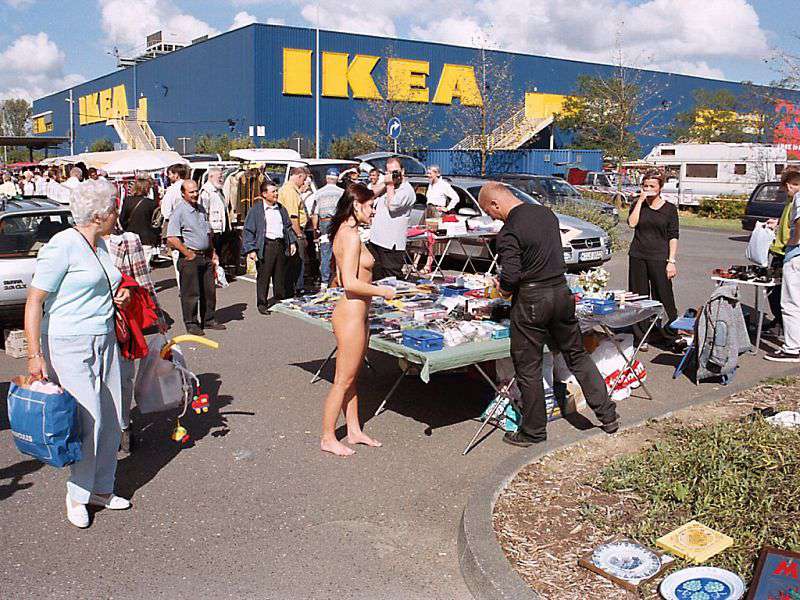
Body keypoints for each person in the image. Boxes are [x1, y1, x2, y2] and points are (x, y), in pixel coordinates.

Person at [24, 178, 133, 528]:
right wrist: (34, 354)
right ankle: (78, 492)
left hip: (104, 337)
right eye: (113, 209)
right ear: (99, 215)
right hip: (68, 342)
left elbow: (99, 286)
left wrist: (119, 296)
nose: (117, 214)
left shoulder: (99, 244)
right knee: (89, 420)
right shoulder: (63, 245)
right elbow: (35, 300)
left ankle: (102, 488)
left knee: (113, 417)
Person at [477, 182, 619, 446]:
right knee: (577, 355)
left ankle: (533, 431)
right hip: (561, 293)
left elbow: (511, 276)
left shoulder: (509, 231)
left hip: (532, 301)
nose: (492, 218)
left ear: (495, 203)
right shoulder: (546, 214)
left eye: (489, 212)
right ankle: (608, 415)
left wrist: (503, 289)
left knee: (528, 367)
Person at [320, 183, 395, 456]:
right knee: (343, 380)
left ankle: (353, 429)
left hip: (357, 313)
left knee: (351, 377)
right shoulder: (350, 236)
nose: (374, 211)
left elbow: (342, 277)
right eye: (371, 206)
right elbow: (349, 283)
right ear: (356, 206)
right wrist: (383, 291)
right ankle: (328, 437)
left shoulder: (347, 231)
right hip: (351, 313)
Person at [106, 229, 169, 453]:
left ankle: (123, 425)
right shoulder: (75, 241)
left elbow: (143, 279)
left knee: (123, 378)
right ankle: (104, 429)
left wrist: (157, 314)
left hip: (123, 322)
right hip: (88, 325)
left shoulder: (128, 240)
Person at [627, 169, 681, 351]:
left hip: (659, 257)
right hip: (638, 255)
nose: (648, 189)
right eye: (645, 185)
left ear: (660, 188)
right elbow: (632, 223)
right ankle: (641, 337)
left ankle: (670, 334)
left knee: (664, 296)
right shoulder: (638, 205)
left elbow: (673, 236)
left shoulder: (669, 209)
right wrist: (640, 201)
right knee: (638, 297)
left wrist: (671, 261)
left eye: (652, 186)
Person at [166, 179, 225, 335]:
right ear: (183, 194)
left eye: (196, 191)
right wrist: (187, 253)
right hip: (190, 257)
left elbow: (207, 232)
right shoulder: (179, 211)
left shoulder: (201, 209)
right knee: (191, 293)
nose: (195, 194)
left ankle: (208, 319)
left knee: (209, 291)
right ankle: (191, 323)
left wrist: (213, 251)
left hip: (205, 256)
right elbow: (171, 238)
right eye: (191, 192)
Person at [242, 182, 298, 314]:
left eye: (276, 191)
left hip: (280, 245)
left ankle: (279, 299)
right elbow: (248, 230)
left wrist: (292, 242)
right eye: (273, 192)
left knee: (279, 275)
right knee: (264, 276)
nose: (276, 194)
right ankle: (262, 303)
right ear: (264, 194)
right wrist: (251, 249)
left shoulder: (281, 209)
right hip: (266, 246)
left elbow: (288, 227)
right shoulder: (256, 210)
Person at [766, 171, 800, 362]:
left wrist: (793, 242)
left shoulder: (798, 198)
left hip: (795, 256)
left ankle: (792, 349)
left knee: (790, 303)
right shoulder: (791, 201)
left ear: (788, 185)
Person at [367, 157, 416, 280]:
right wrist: (386, 182)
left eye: (395, 171)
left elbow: (393, 206)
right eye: (389, 172)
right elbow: (369, 195)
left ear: (402, 171)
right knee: (376, 278)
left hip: (391, 244)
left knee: (392, 280)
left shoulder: (407, 190)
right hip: (376, 239)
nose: (393, 175)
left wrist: (389, 185)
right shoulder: (387, 186)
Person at [310, 169, 344, 288]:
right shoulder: (342, 193)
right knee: (340, 251)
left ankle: (324, 282)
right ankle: (340, 278)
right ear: (337, 179)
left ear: (326, 178)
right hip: (338, 222)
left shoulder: (319, 193)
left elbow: (315, 213)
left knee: (325, 252)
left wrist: (315, 230)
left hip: (324, 223)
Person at [279, 166, 310, 296]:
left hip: (291, 230)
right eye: (303, 179)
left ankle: (292, 287)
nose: (303, 183)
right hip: (293, 230)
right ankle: (298, 287)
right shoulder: (290, 192)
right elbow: (293, 216)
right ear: (299, 176)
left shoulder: (288, 189)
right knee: (297, 261)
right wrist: (299, 234)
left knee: (292, 261)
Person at [119, 175, 161, 264]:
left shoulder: (127, 201)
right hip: (147, 237)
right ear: (146, 189)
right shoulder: (152, 203)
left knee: (132, 264)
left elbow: (122, 219)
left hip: (131, 236)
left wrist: (127, 228)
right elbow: (156, 223)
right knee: (144, 265)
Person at [199, 168, 235, 263]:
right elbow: (203, 213)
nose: (221, 179)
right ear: (210, 177)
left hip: (222, 229)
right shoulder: (206, 192)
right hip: (213, 230)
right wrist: (207, 230)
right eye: (219, 177)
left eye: (222, 177)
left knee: (221, 255)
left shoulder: (219, 190)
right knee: (213, 256)